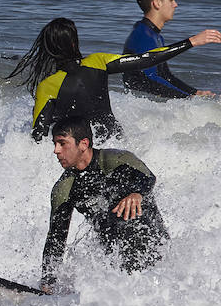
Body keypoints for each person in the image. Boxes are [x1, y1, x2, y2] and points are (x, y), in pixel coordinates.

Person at [8, 17, 221, 142]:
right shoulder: (97, 62)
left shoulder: (48, 86)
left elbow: (37, 135)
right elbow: (146, 59)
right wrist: (191, 42)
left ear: (49, 49)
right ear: (74, 44)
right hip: (114, 140)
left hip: (83, 151)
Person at [40, 116, 169, 291]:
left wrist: (137, 194)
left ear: (83, 144)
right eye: (55, 144)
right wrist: (48, 280)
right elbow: (56, 239)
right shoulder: (64, 189)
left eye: (62, 143)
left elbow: (148, 177)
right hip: (114, 264)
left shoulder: (117, 159)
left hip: (155, 249)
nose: (56, 150)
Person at [122, 0, 214, 99]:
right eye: (171, 0)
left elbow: (165, 76)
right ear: (157, 3)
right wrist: (186, 98)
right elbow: (148, 79)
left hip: (147, 102)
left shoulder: (155, 36)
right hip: (140, 105)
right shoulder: (142, 36)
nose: (175, 5)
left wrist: (194, 93)